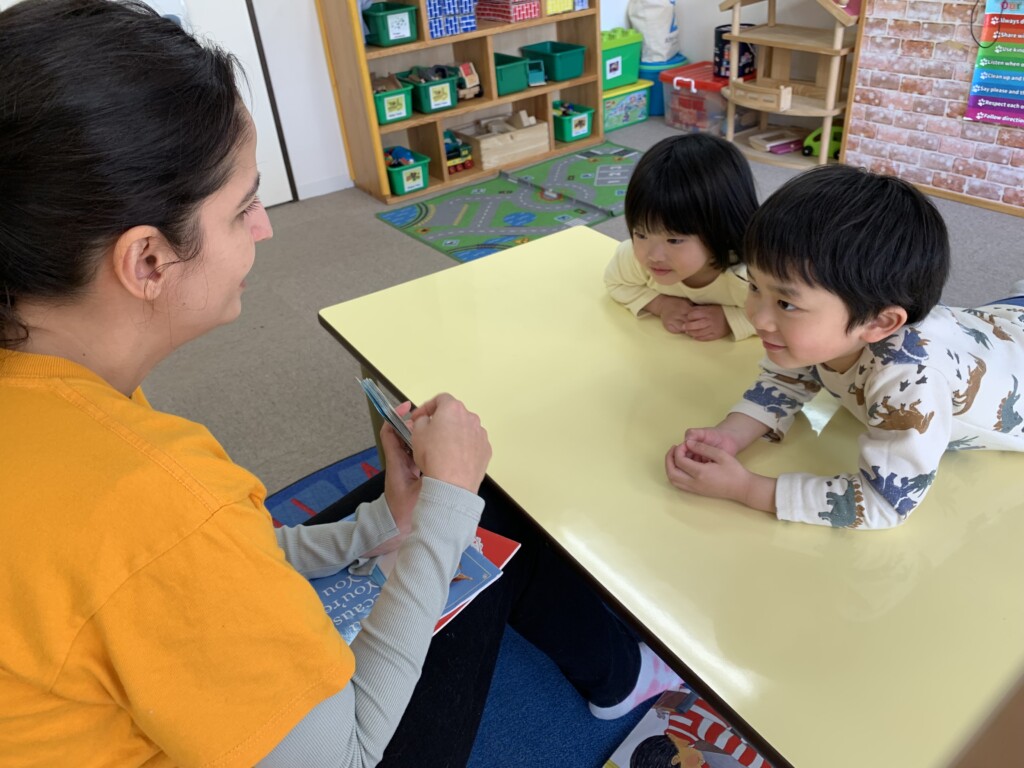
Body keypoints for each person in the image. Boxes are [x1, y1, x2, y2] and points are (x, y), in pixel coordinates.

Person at [0, 2, 681, 766]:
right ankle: (623, 681)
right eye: (243, 209)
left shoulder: (56, 397)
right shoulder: (158, 507)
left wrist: (386, 522)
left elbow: (225, 555)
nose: (265, 228)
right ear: (148, 260)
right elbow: (347, 756)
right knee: (490, 504)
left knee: (450, 506)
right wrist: (444, 512)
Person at [664, 164, 1024, 530]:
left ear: (879, 323)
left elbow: (884, 502)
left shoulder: (911, 379)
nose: (757, 317)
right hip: (998, 321)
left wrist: (746, 488)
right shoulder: (809, 334)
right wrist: (730, 434)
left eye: (786, 303)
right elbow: (783, 381)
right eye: (755, 286)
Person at [604, 133, 759, 341]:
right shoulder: (634, 258)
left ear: (722, 230)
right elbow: (615, 283)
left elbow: (786, 316)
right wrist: (660, 304)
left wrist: (730, 319)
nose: (654, 255)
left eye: (674, 240)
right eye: (641, 234)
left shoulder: (750, 277)